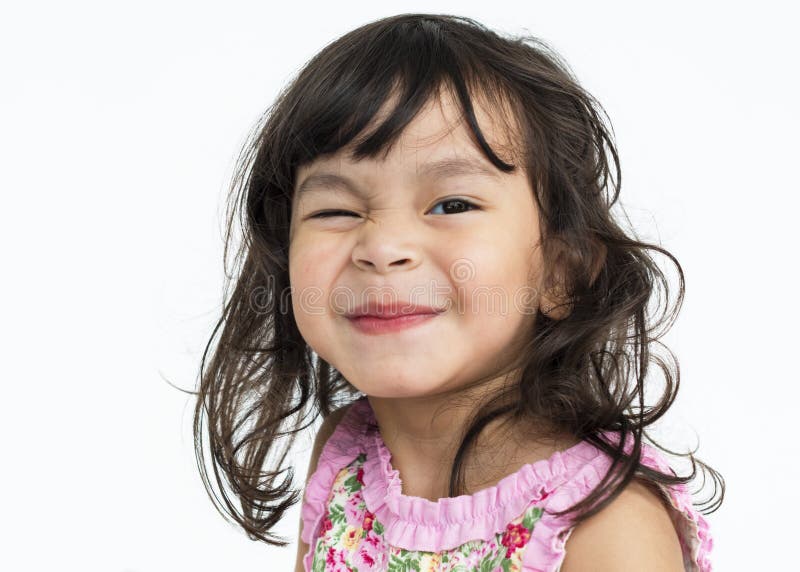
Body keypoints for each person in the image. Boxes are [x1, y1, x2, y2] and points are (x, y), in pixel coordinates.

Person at [192, 13, 722, 571]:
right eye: (336, 210)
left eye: (452, 205)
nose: (382, 246)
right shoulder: (347, 457)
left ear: (559, 274)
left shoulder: (606, 522)